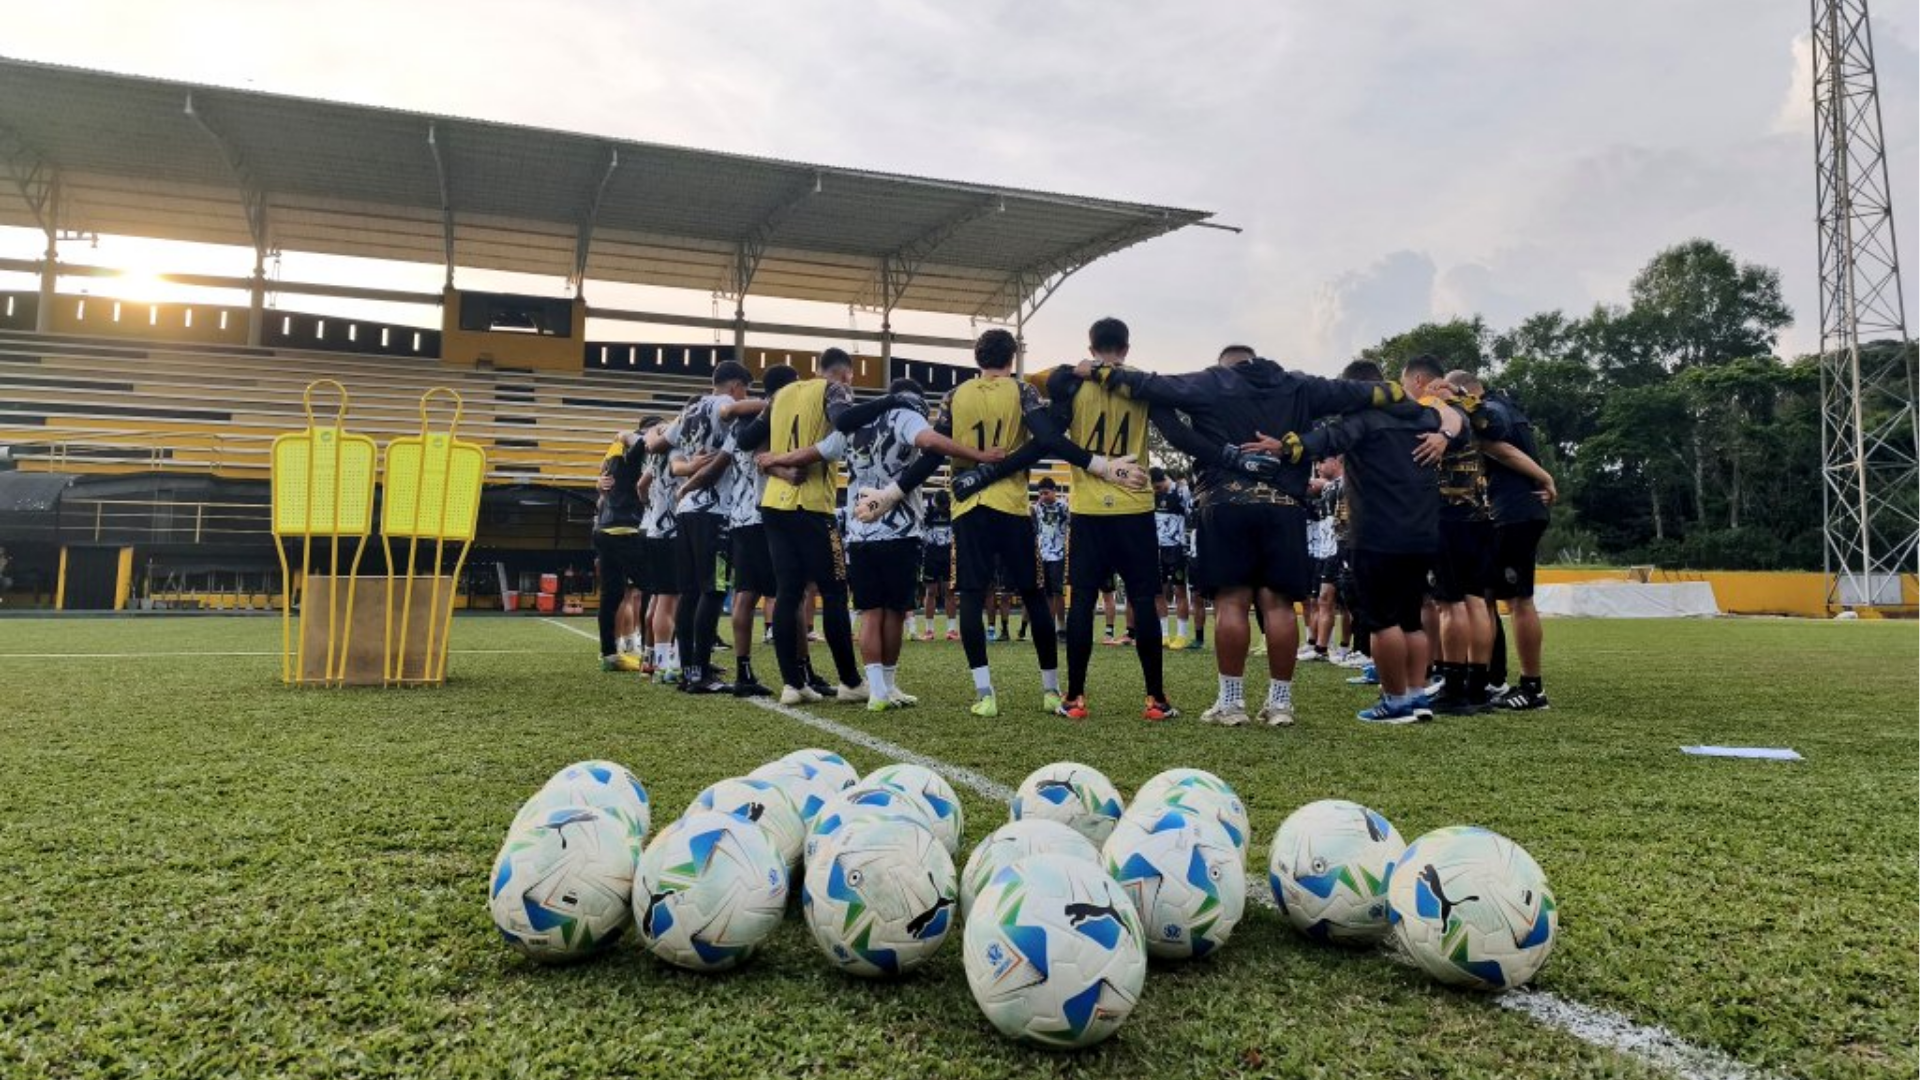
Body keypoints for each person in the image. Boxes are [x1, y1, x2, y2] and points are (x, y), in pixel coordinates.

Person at [1077, 344, 1408, 727]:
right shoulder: (1298, 385)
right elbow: (1369, 392)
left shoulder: (1212, 381)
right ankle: (1280, 705)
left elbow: (1152, 386)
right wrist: (1408, 398)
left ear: (1226, 364)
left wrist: (1099, 371)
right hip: (1284, 506)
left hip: (1225, 503)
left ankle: (1231, 705)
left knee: (1232, 603)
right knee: (1279, 606)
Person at [873, 329, 1140, 718]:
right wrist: (1098, 465)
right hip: (1012, 506)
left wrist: (891, 493)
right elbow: (1047, 437)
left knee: (970, 596)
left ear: (977, 357)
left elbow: (932, 454)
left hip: (969, 508)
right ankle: (1050, 691)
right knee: (1033, 595)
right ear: (1012, 359)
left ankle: (985, 694)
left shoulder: (954, 396)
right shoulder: (1022, 392)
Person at [958, 317, 1169, 720]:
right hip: (1135, 505)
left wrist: (1078, 369)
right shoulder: (1143, 383)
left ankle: (1074, 697)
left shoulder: (1073, 382)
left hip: (1088, 509)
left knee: (1081, 602)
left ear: (1091, 348)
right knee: (1143, 599)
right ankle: (1155, 700)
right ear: (1126, 348)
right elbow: (1176, 422)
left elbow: (1045, 405)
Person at [762, 377, 1003, 711]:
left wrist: (774, 460)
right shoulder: (905, 414)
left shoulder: (854, 425)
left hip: (860, 531)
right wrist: (979, 454)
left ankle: (876, 692)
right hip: (899, 529)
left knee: (870, 612)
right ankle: (888, 686)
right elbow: (931, 441)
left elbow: (813, 452)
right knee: (895, 611)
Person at [1264, 359, 1465, 723]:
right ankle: (1418, 696)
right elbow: (1459, 423)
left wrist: (1283, 446)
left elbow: (1323, 441)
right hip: (1422, 534)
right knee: (1411, 620)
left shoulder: (1361, 420)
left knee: (1382, 622)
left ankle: (1394, 701)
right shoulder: (1425, 418)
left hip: (1376, 535)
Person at [753, 348, 869, 705]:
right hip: (814, 505)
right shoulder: (834, 390)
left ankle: (793, 684)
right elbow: (844, 422)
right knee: (834, 592)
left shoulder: (781, 395)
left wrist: (774, 462)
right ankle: (850, 681)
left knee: (788, 592)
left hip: (774, 502)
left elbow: (747, 441)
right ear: (845, 375)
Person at [653, 362, 763, 694]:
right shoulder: (721, 405)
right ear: (734, 386)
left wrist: (685, 467)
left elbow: (657, 445)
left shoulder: (687, 411)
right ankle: (701, 672)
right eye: (745, 389)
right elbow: (737, 410)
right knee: (712, 591)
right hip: (714, 512)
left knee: (689, 592)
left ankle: (689, 669)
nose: (746, 397)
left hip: (685, 513)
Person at [1457, 370, 1556, 711]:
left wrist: (1545, 478)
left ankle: (1527, 687)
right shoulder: (1513, 408)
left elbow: (1497, 441)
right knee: (1497, 598)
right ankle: (1494, 678)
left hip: (1512, 513)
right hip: (1521, 511)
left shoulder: (1491, 408)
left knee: (1511, 600)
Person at [591, 420, 653, 672]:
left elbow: (601, 498)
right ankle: (651, 653)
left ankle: (608, 654)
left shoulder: (613, 454)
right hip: (626, 529)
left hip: (604, 529)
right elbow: (630, 436)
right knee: (653, 588)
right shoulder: (636, 447)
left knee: (612, 595)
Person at [637, 424, 682, 683]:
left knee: (656, 599)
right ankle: (666, 666)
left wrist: (651, 507)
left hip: (652, 528)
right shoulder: (676, 450)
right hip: (672, 532)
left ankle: (649, 660)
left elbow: (641, 486)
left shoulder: (655, 454)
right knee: (669, 600)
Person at [1152, 467, 1194, 651]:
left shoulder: (1181, 491)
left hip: (1177, 548)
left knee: (1179, 591)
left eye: (1158, 486)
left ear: (1164, 479)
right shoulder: (1151, 495)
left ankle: (1182, 635)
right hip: (1158, 549)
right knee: (1159, 592)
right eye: (1154, 488)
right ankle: (1163, 635)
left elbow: (1192, 513)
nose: (1156, 490)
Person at [917, 490, 956, 641]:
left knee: (949, 591)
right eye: (940, 506)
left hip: (948, 553)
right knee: (931, 591)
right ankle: (929, 630)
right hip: (931, 554)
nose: (942, 510)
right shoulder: (926, 510)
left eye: (944, 507)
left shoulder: (953, 510)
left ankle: (952, 630)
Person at [1032, 477, 1070, 630]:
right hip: (1042, 556)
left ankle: (1061, 627)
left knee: (1057, 592)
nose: (1043, 497)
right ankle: (1049, 626)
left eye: (1046, 493)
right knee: (1046, 593)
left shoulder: (1063, 506)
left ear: (1054, 491)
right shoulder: (1037, 507)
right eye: (1040, 494)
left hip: (1058, 555)